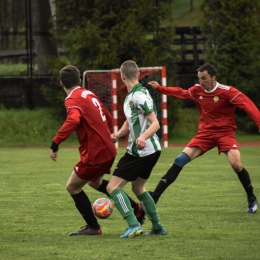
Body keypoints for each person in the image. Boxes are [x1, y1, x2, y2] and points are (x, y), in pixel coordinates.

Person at [148, 63, 259, 214]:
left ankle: (251, 198)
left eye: (204, 78)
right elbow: (181, 92)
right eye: (199, 78)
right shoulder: (196, 90)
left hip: (225, 134)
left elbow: (248, 105)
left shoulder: (227, 92)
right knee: (180, 160)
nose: (201, 81)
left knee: (236, 165)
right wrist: (161, 88)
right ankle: (154, 197)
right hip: (205, 134)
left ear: (213, 77)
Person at [49, 65, 144, 236]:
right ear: (79, 80)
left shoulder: (72, 99)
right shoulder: (88, 94)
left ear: (61, 83)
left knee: (72, 187)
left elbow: (73, 119)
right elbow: (107, 116)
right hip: (107, 148)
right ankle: (136, 208)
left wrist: (56, 142)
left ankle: (94, 227)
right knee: (95, 182)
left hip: (96, 152)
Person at [106, 60, 167, 238]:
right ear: (138, 75)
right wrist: (119, 134)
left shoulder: (137, 96)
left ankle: (133, 224)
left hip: (140, 151)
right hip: (151, 150)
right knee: (138, 187)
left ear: (122, 76)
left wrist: (142, 137)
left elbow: (155, 124)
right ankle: (157, 227)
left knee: (112, 187)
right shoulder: (136, 94)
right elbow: (130, 121)